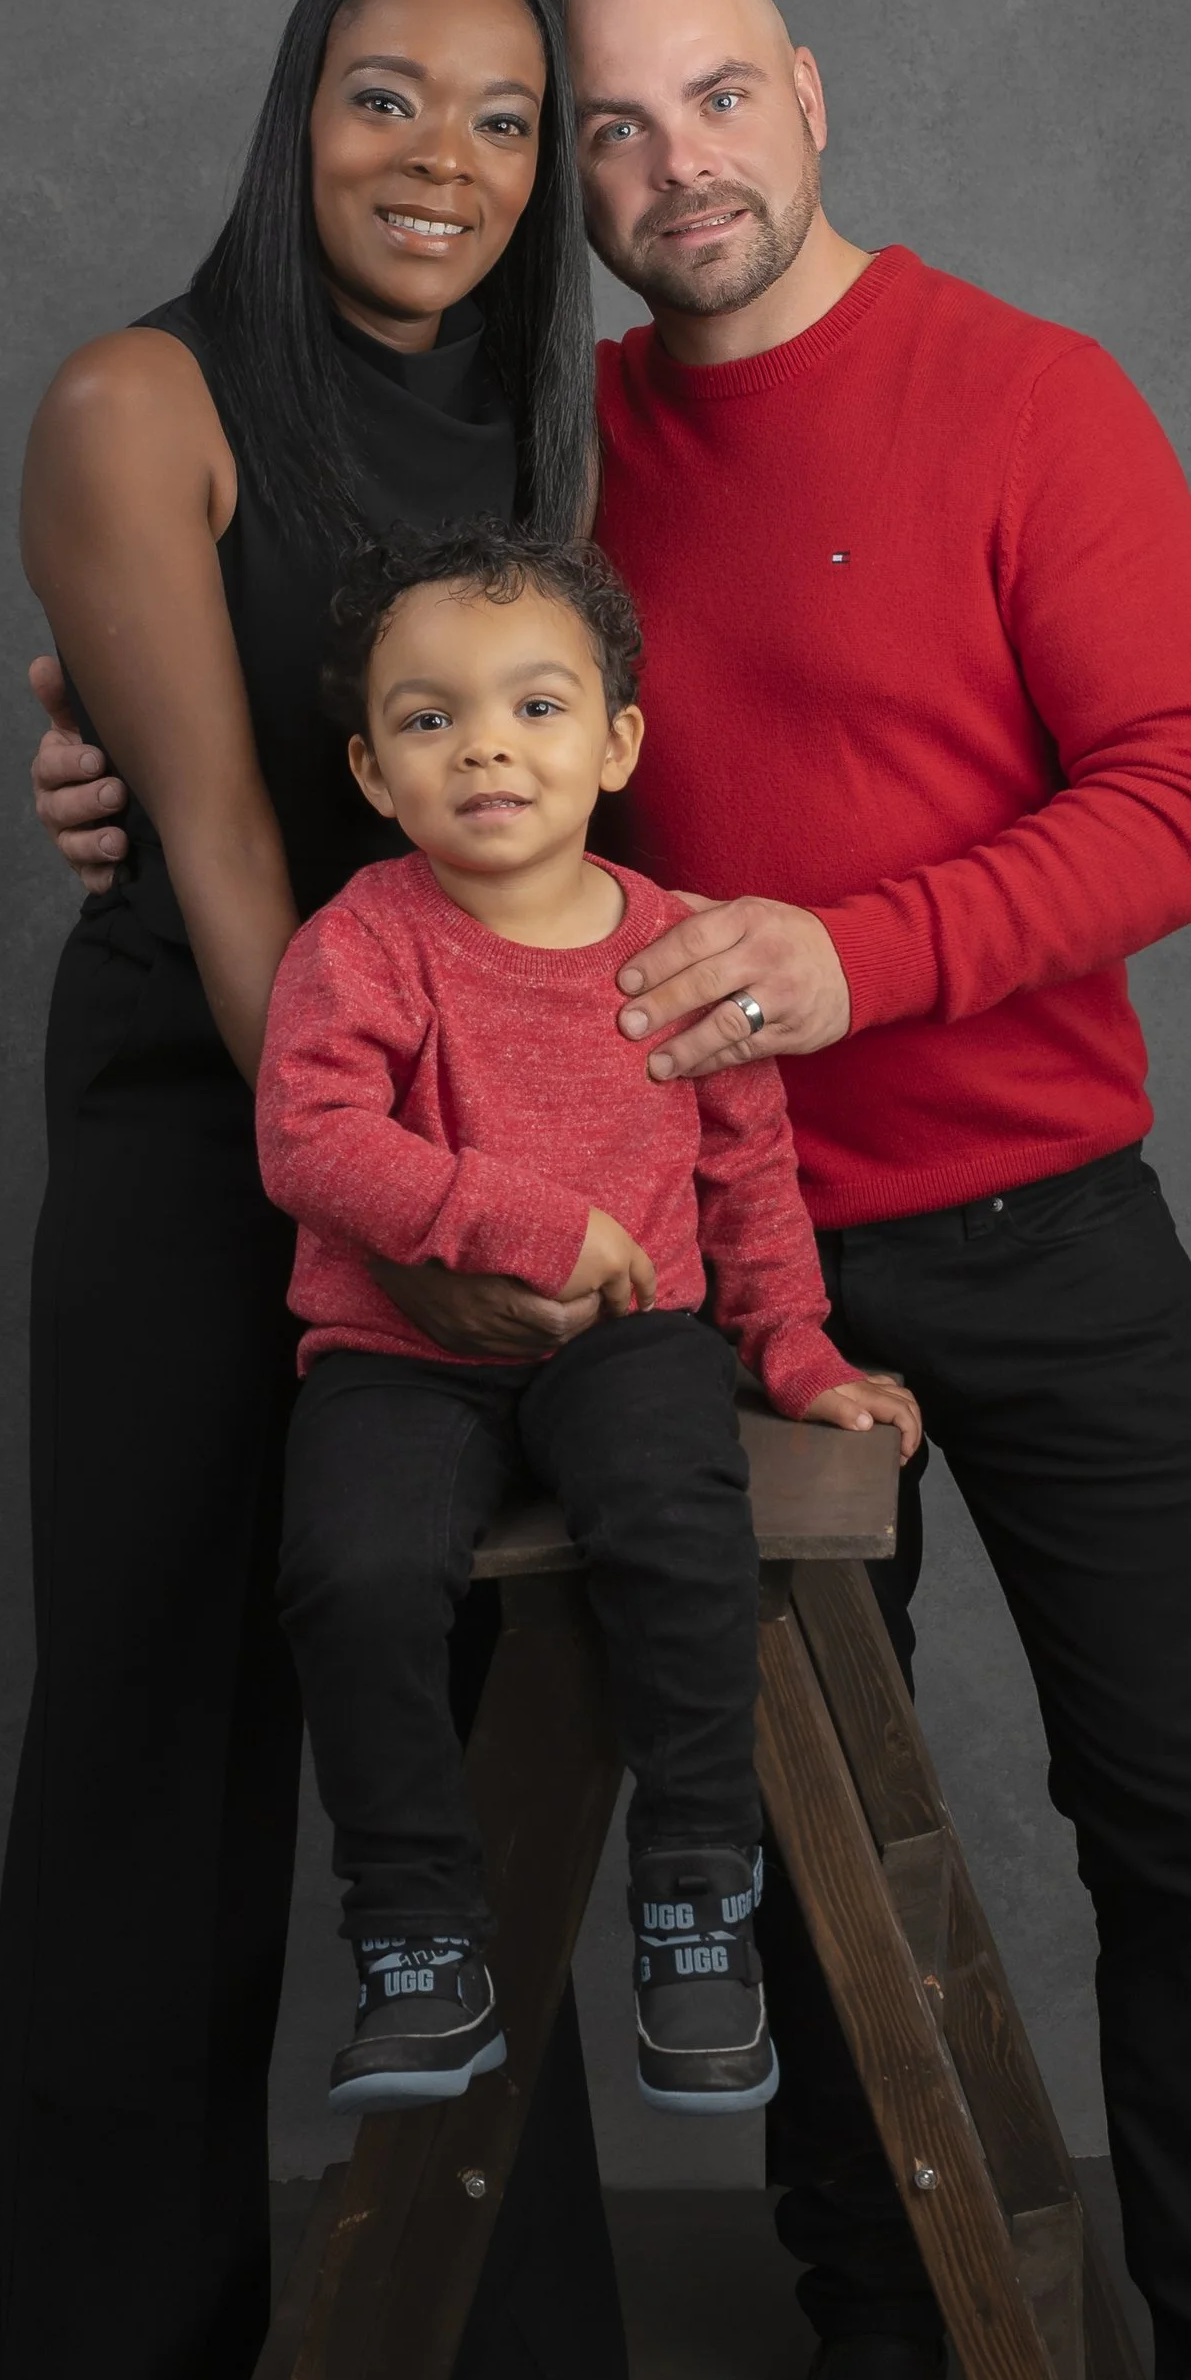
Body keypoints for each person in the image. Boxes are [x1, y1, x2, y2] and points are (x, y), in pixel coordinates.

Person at [31, 0, 1191, 2380]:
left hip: (1033, 1225)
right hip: (683, 1261)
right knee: (766, 1805)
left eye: (698, 106)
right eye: (613, 136)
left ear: (808, 96)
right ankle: (871, 2331)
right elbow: (379, 713)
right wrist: (89, 724)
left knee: (1175, 1831)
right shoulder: (565, 438)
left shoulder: (1033, 396)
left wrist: (853, 962)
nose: (663, 172)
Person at [0, 0, 674, 2380]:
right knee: (168, 1768)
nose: (441, 157)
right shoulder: (135, 405)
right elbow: (242, 877)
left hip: (504, 1165)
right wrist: (426, 1226)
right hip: (225, 1147)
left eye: (504, 121)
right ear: (296, 116)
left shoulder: (545, 424)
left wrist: (551, 1203)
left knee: (500, 1723)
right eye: (382, 97)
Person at [256, 528, 920, 2118]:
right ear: (371, 768)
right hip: (402, 1360)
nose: (486, 743)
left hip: (627, 1353)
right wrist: (531, 1219)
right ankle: (418, 1936)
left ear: (617, 742)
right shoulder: (363, 941)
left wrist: (803, 1354)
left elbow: (753, 1182)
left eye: (538, 706)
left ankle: (698, 1899)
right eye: (430, 720)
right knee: (350, 1566)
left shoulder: (676, 947)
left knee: (678, 1519)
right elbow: (312, 1140)